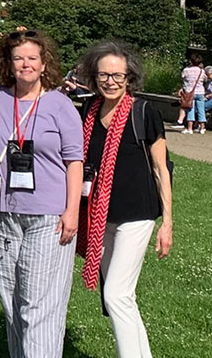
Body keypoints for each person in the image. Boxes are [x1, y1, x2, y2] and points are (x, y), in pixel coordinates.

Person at [0, 29, 84, 358]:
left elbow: (75, 161)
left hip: (49, 217)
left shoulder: (60, 105)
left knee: (38, 306)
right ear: (9, 63)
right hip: (2, 215)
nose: (26, 64)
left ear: (44, 63)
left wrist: (71, 210)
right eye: (18, 58)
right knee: (13, 303)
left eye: (33, 58)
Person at [73, 42, 175, 358]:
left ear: (129, 77)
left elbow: (161, 168)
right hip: (100, 217)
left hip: (137, 215)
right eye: (104, 75)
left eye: (118, 75)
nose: (110, 81)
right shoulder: (87, 111)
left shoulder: (143, 113)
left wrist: (167, 221)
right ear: (94, 76)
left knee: (116, 294)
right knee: (119, 297)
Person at [185, 67, 212, 135]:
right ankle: (198, 124)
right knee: (197, 106)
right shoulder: (211, 81)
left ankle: (200, 126)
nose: (207, 77)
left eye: (208, 75)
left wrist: (207, 96)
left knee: (201, 108)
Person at [175, 55, 203, 128]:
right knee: (201, 110)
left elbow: (182, 78)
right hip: (200, 92)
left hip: (189, 92)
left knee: (190, 109)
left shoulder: (186, 70)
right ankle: (202, 128)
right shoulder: (201, 71)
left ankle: (189, 128)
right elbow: (205, 79)